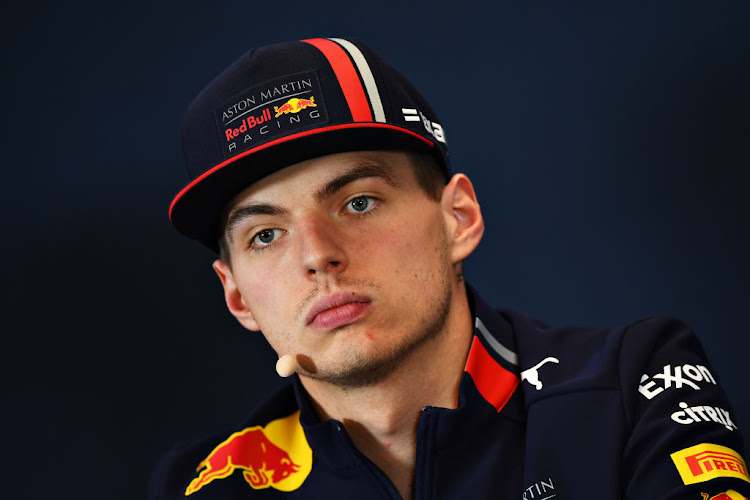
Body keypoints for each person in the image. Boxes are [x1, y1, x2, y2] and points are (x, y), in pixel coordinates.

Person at [150, 37, 748, 499]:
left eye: (358, 202)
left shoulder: (630, 384)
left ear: (457, 218)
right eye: (266, 235)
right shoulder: (207, 484)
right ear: (237, 299)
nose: (316, 255)